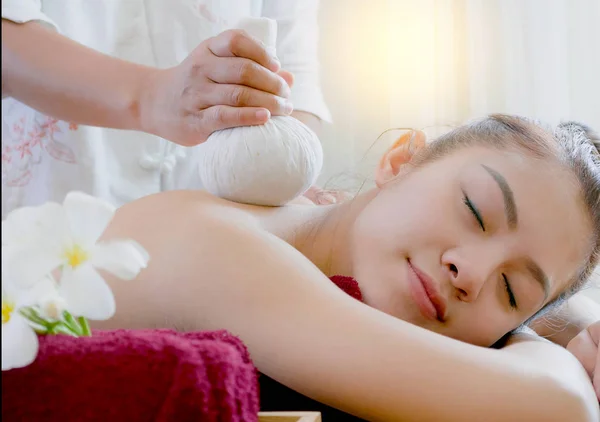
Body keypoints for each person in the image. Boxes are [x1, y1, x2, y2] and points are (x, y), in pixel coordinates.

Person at [90, 115, 600, 421]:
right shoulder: (212, 243)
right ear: (401, 160)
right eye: (475, 211)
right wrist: (554, 349)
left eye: (511, 292)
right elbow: (559, 409)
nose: (471, 273)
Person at [1, 1, 332, 217]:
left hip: (215, 242)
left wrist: (289, 179)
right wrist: (151, 97)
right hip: (49, 211)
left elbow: (296, 75)